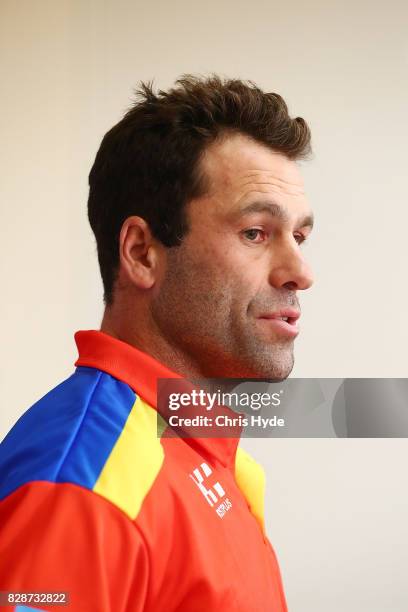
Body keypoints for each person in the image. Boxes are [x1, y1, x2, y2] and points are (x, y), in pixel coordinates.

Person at [0, 75, 314, 611]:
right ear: (142, 253)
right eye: (256, 233)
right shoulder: (83, 491)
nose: (299, 272)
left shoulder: (202, 452)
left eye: (300, 237)